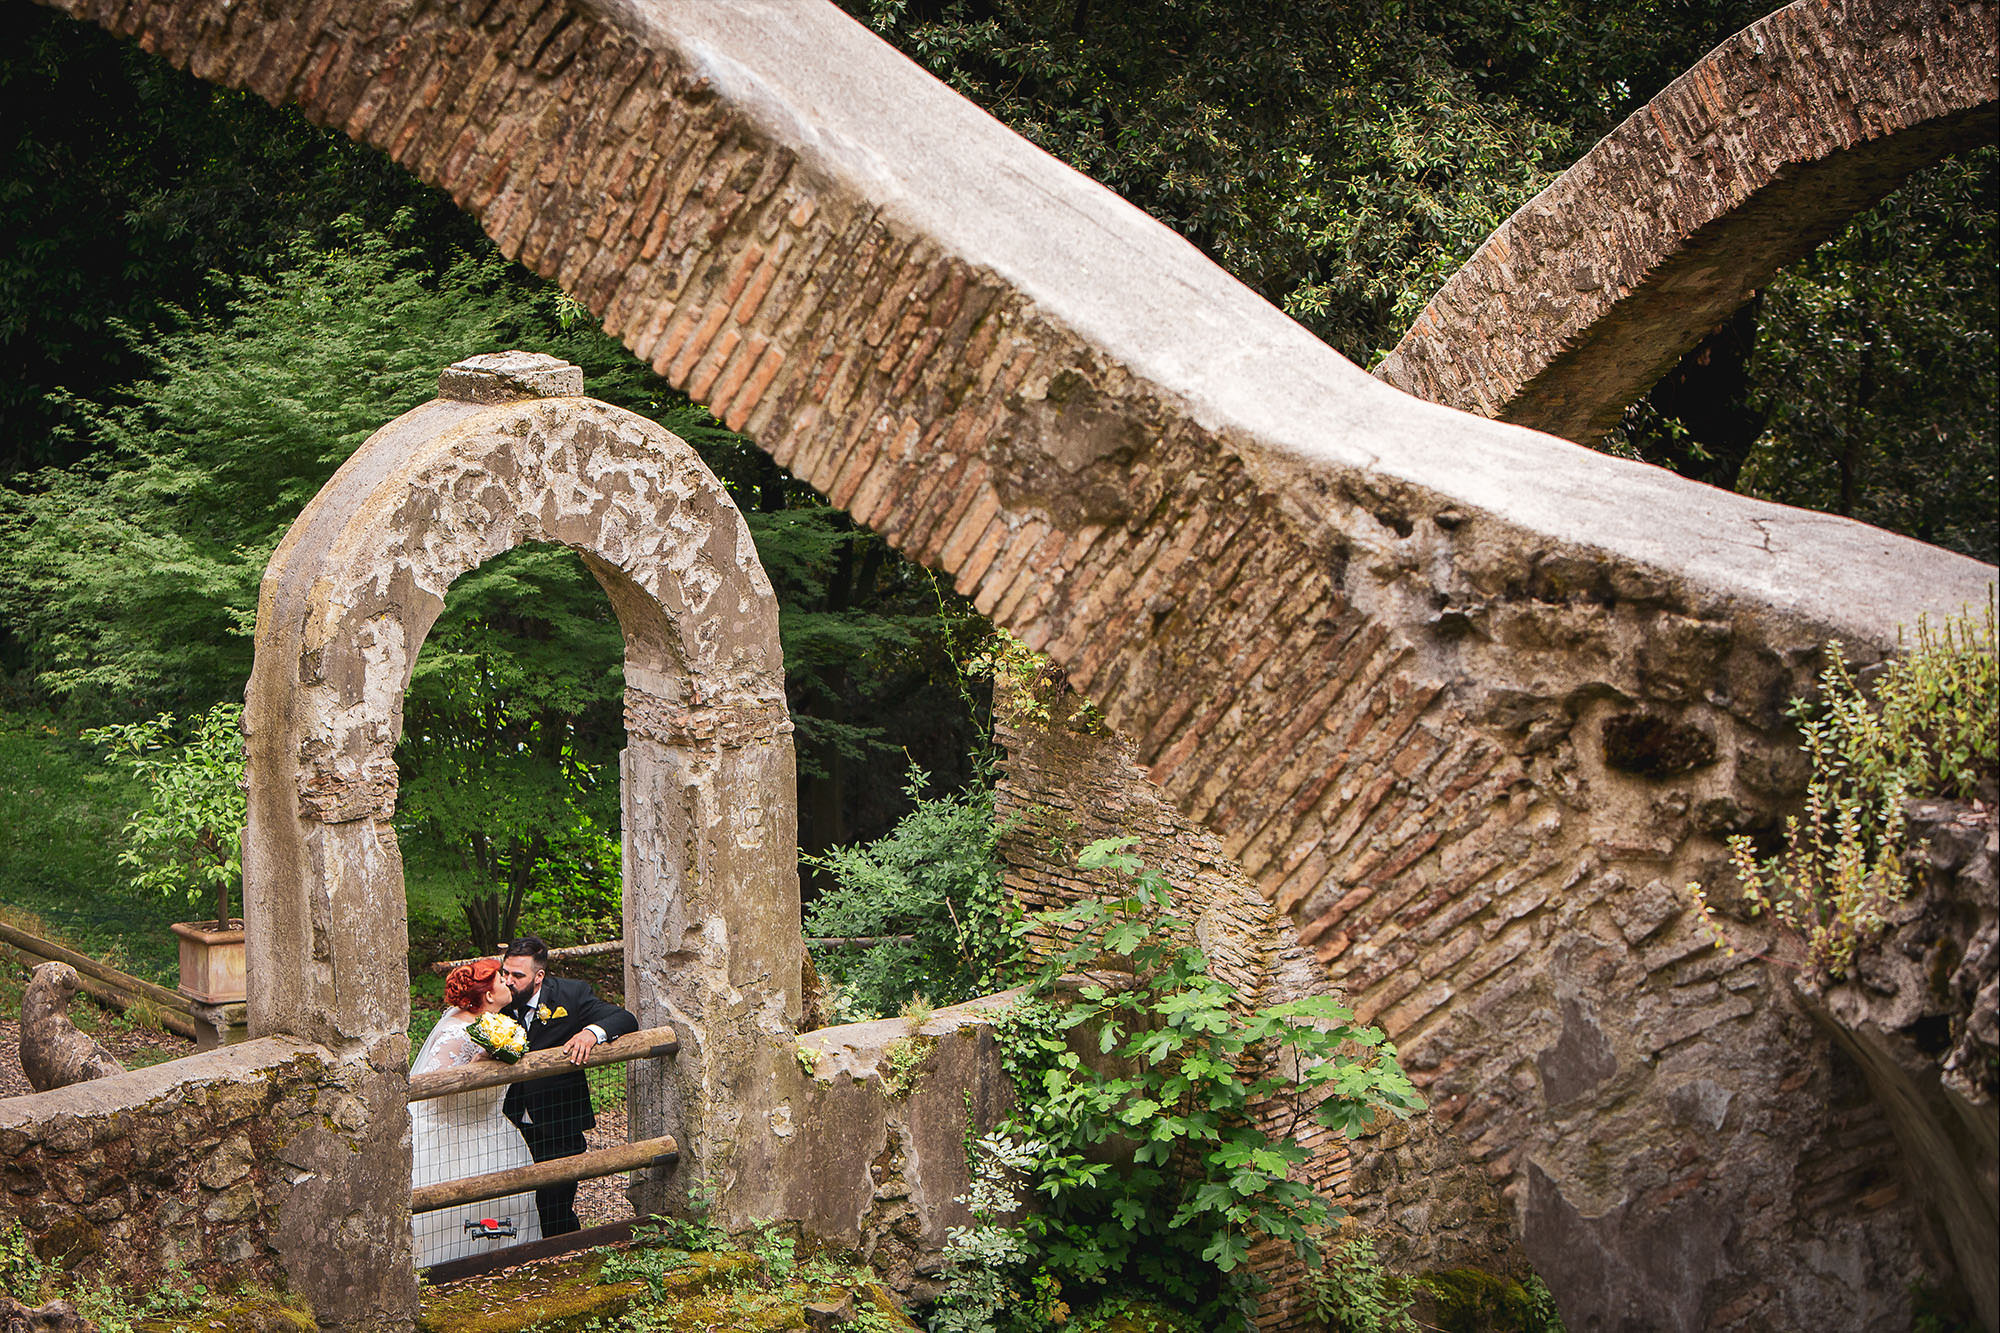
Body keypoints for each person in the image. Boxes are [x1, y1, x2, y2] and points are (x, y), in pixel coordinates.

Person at [498, 934, 639, 1236]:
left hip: (557, 1122)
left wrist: (591, 1033)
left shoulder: (571, 995)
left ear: (539, 977)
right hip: (506, 1122)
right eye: (505, 972)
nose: (508, 981)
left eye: (517, 975)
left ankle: (564, 1255)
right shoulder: (497, 997)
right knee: (509, 1203)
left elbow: (623, 1017)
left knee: (555, 1205)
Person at [408, 957, 545, 1267]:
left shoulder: (496, 1025)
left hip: (491, 1132)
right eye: (501, 979)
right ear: (488, 995)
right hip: (450, 1138)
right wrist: (479, 1065)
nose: (508, 982)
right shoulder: (457, 1032)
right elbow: (435, 1092)